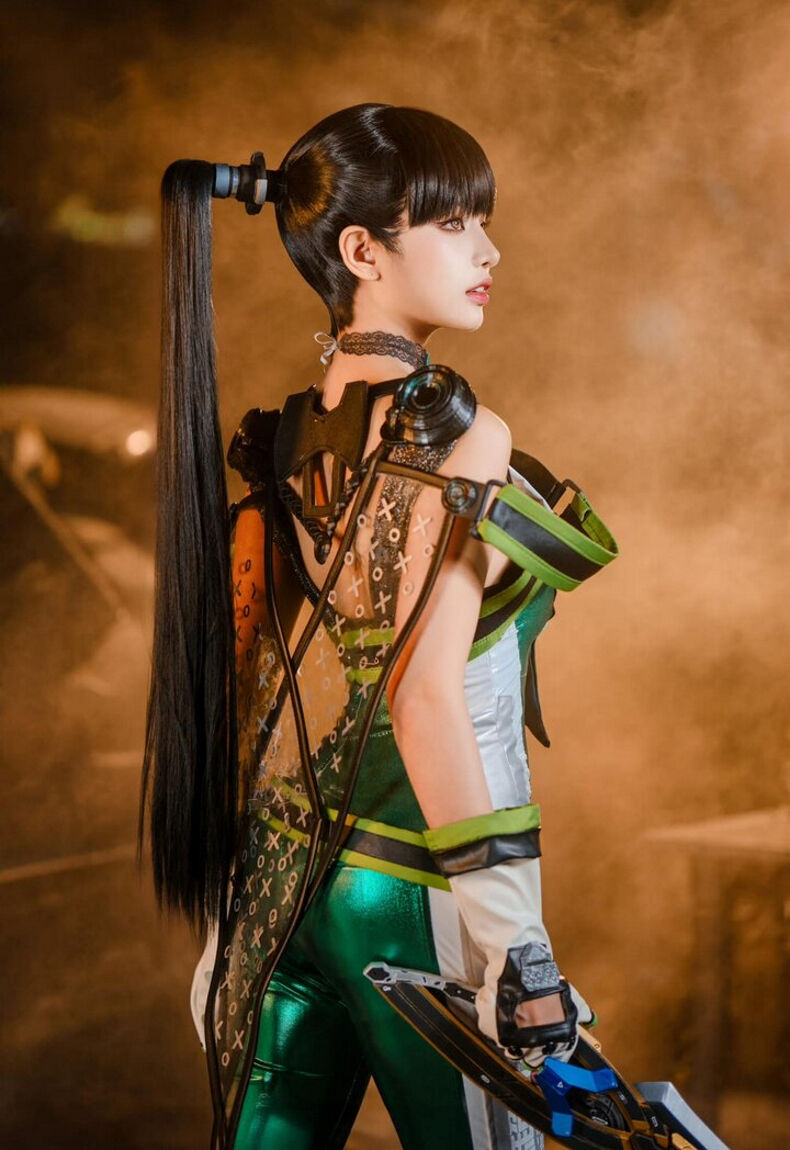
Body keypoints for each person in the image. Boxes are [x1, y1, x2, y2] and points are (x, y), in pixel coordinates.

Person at [140, 103, 618, 1150]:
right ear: (362, 250)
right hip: (411, 893)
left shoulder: (280, 436)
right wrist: (516, 947)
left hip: (278, 886)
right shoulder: (465, 433)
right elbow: (422, 691)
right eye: (452, 223)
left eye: (482, 220)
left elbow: (260, 691)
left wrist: (228, 921)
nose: (488, 251)